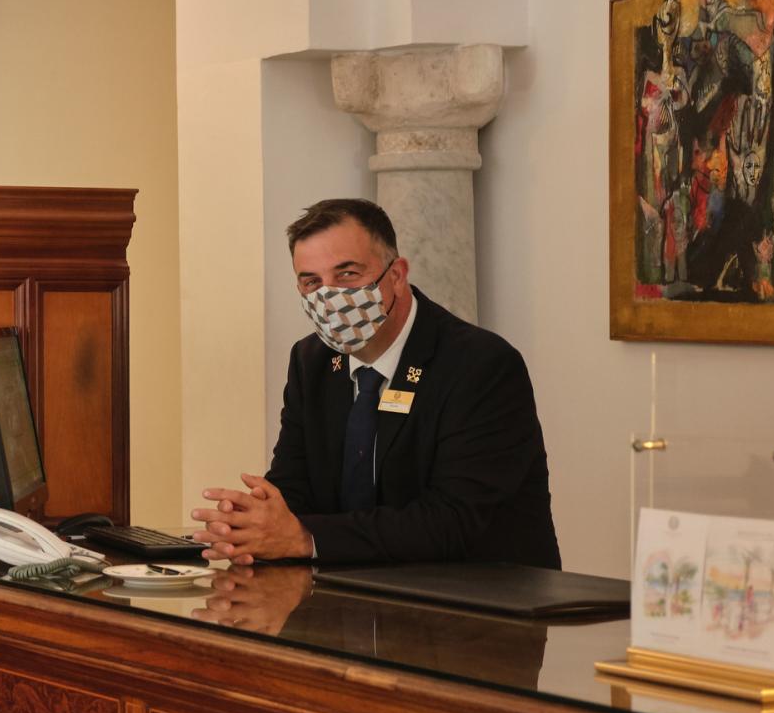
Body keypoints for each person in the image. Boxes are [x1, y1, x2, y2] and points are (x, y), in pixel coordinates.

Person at [191, 197, 560, 568]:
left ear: (396, 276)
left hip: (482, 605)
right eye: (311, 282)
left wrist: (307, 538)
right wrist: (251, 523)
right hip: (352, 601)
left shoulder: (480, 365)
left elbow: (453, 521)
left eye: (347, 274)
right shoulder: (312, 361)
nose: (328, 296)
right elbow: (295, 487)